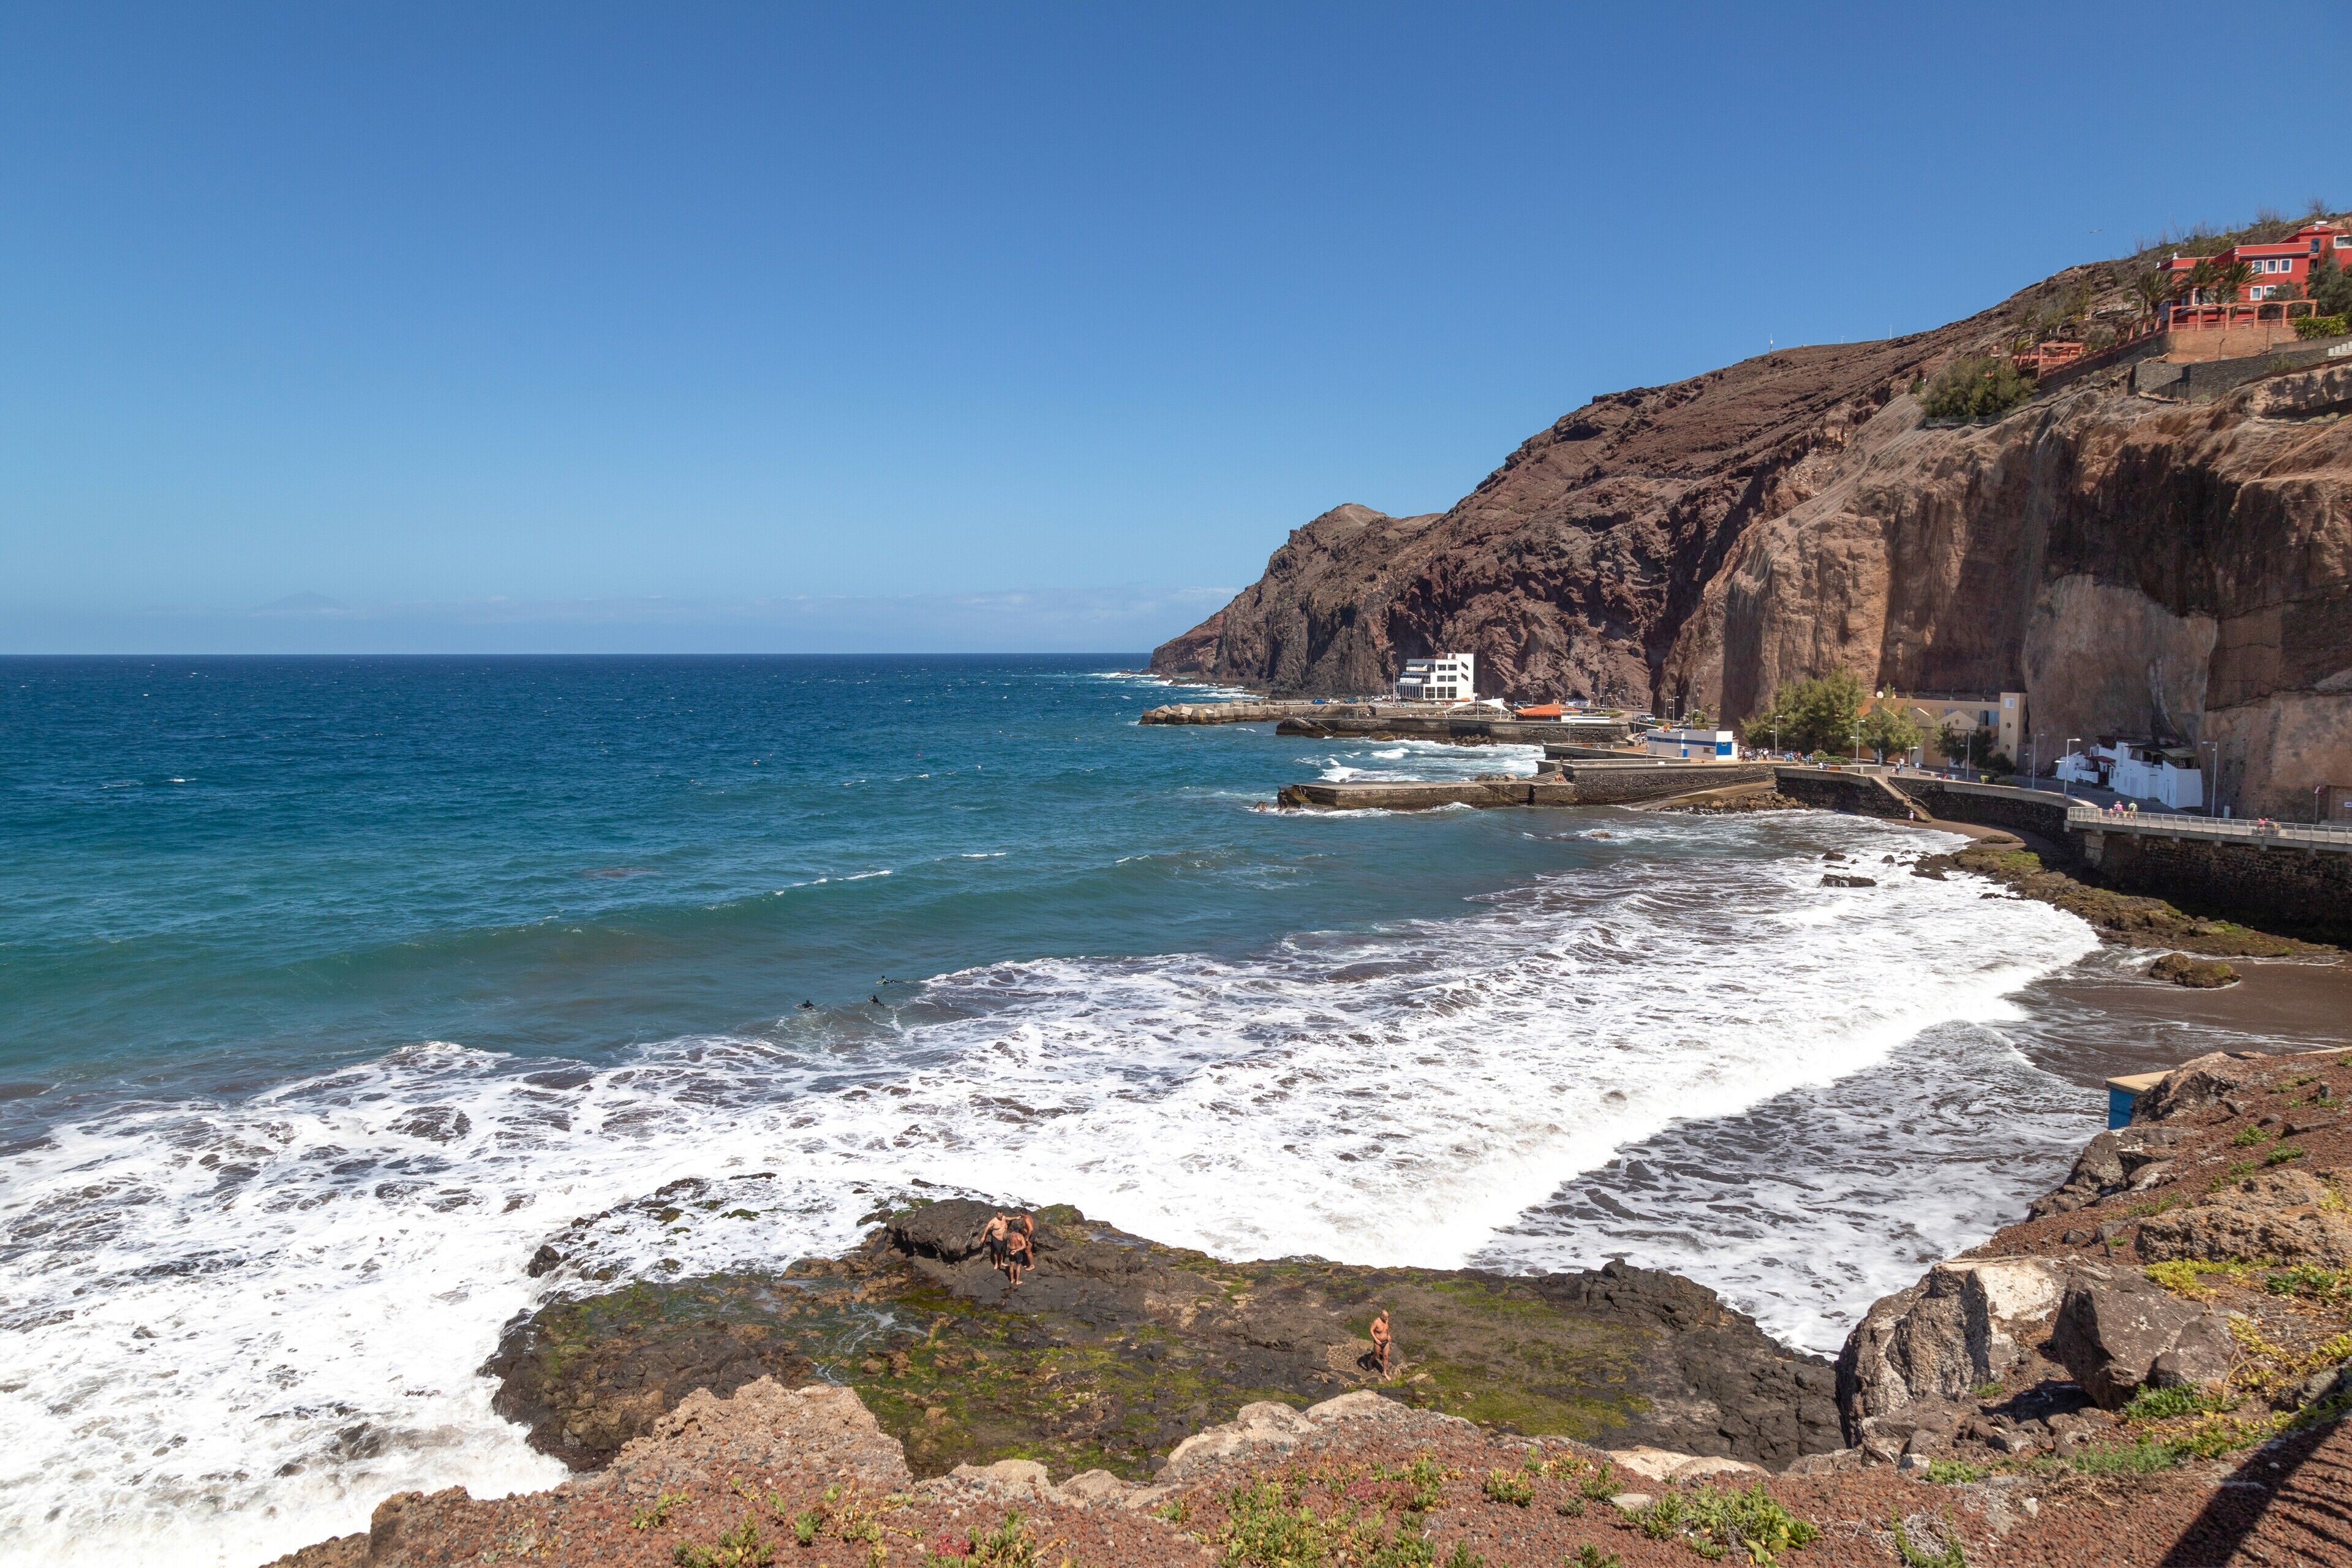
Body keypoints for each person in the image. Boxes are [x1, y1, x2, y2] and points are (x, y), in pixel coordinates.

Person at [976, 1212, 1012, 1280]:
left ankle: (1001, 1262)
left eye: (1001, 1214)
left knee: (1003, 1251)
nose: (1001, 1216)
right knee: (997, 1252)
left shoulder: (1004, 1218)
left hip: (1004, 1238)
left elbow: (1009, 1218)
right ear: (996, 1215)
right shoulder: (993, 1221)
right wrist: (984, 1237)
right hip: (996, 1239)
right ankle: (996, 1263)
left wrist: (1016, 1218)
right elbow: (987, 1228)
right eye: (999, 1215)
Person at [1006, 1212, 1037, 1286]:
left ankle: (1012, 1280)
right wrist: (1017, 1249)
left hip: (1011, 1251)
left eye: (1020, 1214)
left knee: (1012, 1265)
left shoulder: (1010, 1235)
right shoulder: (1020, 1236)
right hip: (1018, 1252)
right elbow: (1023, 1246)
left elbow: (1004, 1237)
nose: (1020, 1215)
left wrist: (1006, 1228)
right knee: (1019, 1266)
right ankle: (1017, 1281)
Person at [1368, 1310, 1393, 1378]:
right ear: (1382, 1316)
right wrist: (1376, 1339)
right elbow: (1371, 1330)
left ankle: (1384, 1372)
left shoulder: (1386, 1320)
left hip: (1386, 1342)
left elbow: (1387, 1329)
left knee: (1386, 1357)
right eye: (1385, 1317)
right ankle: (1370, 1362)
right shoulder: (1377, 1322)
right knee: (1377, 1355)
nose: (1387, 1319)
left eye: (1388, 1317)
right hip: (1378, 1342)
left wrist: (1389, 1335)